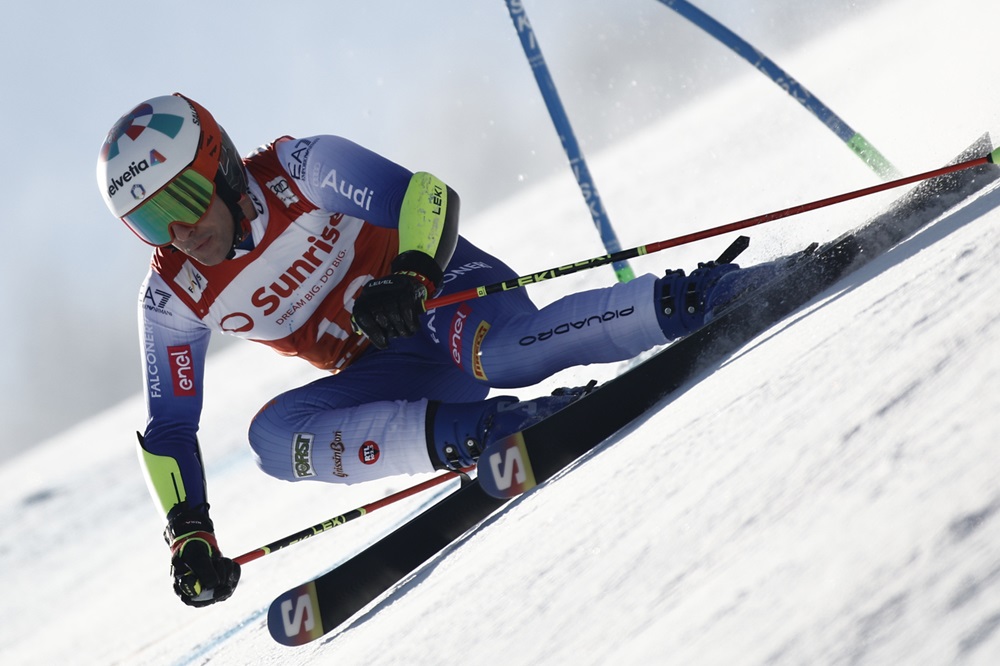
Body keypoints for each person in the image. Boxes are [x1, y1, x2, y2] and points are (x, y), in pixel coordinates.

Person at [96, 93, 776, 608]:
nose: (178, 232)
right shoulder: (172, 295)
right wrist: (190, 533)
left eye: (182, 199)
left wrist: (412, 272)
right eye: (149, 221)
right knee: (273, 440)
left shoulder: (301, 170)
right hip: (390, 372)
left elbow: (425, 193)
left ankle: (697, 297)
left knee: (501, 355)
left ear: (220, 166)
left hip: (443, 295)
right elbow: (171, 427)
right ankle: (491, 433)